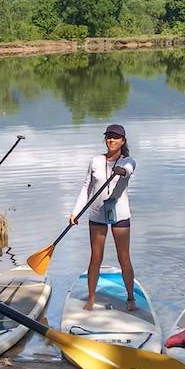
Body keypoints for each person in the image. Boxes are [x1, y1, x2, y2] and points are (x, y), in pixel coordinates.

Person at [69, 124, 137, 311]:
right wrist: (75, 212)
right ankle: (91, 298)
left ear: (123, 141)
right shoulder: (96, 161)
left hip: (120, 215)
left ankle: (130, 298)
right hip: (97, 214)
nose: (111, 140)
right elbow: (86, 188)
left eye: (116, 137)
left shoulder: (128, 161)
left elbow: (129, 169)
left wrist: (121, 171)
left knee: (123, 258)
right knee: (95, 257)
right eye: (109, 137)